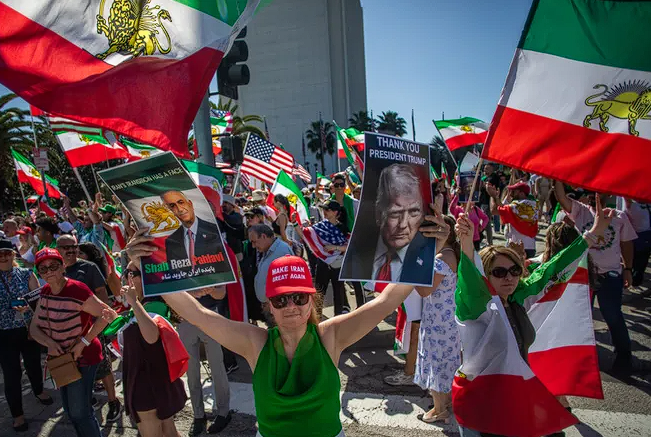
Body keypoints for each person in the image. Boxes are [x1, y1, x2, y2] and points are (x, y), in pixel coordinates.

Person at [123, 210, 448, 437]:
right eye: (281, 300)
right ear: (269, 307)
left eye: (298, 297)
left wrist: (430, 245)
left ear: (312, 301)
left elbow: (386, 301)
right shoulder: (255, 342)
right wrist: (148, 264)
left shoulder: (331, 336)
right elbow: (199, 315)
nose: (290, 306)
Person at [454, 196, 613, 437]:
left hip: (515, 397)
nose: (509, 277)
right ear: (485, 276)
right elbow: (469, 278)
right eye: (499, 272)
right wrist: (466, 243)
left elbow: (550, 271)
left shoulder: (518, 298)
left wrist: (591, 235)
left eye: (514, 270)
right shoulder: (476, 306)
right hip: (481, 404)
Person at [29, 248, 115, 437]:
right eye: (43, 269)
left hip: (84, 357)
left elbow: (108, 315)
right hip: (62, 359)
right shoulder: (45, 291)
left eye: (53, 266)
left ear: (63, 267)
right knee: (71, 411)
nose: (49, 271)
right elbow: (34, 328)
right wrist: (50, 344)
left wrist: (83, 342)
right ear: (39, 273)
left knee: (80, 412)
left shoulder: (77, 289)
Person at [554, 182, 637, 373]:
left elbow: (626, 244)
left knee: (613, 315)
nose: (593, 195)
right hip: (584, 275)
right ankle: (579, 357)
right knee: (580, 317)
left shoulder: (619, 216)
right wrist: (556, 178)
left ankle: (624, 356)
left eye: (598, 192)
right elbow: (561, 197)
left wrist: (628, 269)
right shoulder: (580, 211)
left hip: (611, 275)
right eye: (590, 192)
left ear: (609, 194)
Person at [103, 262, 187, 437]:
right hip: (153, 377)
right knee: (168, 430)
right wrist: (117, 319)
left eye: (132, 273)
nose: (126, 276)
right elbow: (135, 332)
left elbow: (150, 337)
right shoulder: (146, 303)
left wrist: (134, 302)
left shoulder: (153, 305)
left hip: (147, 382)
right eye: (126, 272)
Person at [341, 164, 436, 286]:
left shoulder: (428, 257)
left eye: (413, 212)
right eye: (395, 213)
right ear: (378, 214)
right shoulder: (359, 257)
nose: (403, 224)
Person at [0, 239, 53, 432]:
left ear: (13, 255)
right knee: (11, 373)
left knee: (33, 363)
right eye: (0, 254)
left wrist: (28, 310)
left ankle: (38, 390)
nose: (4, 257)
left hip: (28, 328)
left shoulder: (26, 273)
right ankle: (18, 415)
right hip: (4, 333)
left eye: (7, 253)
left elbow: (39, 300)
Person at [414, 216, 460, 424]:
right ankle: (446, 403)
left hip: (439, 321)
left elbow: (424, 290)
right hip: (445, 317)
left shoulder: (443, 257)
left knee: (437, 362)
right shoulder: (450, 253)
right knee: (446, 361)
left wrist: (411, 271)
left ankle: (440, 410)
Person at [177, 286, 232, 436]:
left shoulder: (211, 268)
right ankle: (198, 415)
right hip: (185, 317)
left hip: (209, 314)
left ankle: (224, 412)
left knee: (217, 367)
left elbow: (221, 293)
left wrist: (209, 290)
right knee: (191, 370)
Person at [293, 200, 351, 315]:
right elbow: (304, 234)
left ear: (335, 212)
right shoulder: (320, 226)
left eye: (327, 209)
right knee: (319, 292)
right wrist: (295, 222)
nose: (324, 211)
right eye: (323, 209)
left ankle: (338, 318)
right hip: (322, 263)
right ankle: (316, 317)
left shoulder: (343, 228)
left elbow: (349, 246)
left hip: (337, 265)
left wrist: (334, 247)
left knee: (338, 292)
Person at [161, 190, 222, 270]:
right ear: (170, 211)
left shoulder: (214, 230)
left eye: (181, 202)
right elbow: (173, 272)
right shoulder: (171, 241)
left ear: (190, 204)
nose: (179, 209)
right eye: (172, 206)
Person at [248, 224, 293, 320]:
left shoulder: (282, 251)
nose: (253, 246)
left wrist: (273, 302)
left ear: (263, 236)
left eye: (254, 242)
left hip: (278, 307)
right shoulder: (268, 250)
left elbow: (286, 284)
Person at [487, 181, 539, 258]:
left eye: (514, 191)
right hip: (530, 246)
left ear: (521, 193)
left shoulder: (516, 206)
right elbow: (503, 207)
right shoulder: (533, 204)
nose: (511, 193)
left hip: (516, 247)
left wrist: (492, 196)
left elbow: (494, 210)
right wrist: (497, 198)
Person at [624, 200, 651, 288]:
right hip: (637, 239)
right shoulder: (632, 205)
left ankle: (634, 279)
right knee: (638, 262)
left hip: (645, 238)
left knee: (640, 262)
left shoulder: (644, 205)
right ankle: (633, 279)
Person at [478, 163, 500, 245]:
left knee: (486, 222)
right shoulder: (485, 177)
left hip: (488, 202)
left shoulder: (493, 177)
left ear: (492, 169)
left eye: (487, 168)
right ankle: (486, 240)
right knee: (484, 221)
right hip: (483, 201)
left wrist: (482, 182)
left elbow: (488, 187)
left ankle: (489, 242)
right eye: (484, 168)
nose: (485, 170)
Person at [221, 194, 246, 261]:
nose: (223, 205)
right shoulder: (221, 217)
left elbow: (232, 220)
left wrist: (220, 213)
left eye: (226, 202)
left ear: (232, 205)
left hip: (236, 251)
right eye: (222, 203)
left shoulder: (237, 216)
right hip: (224, 250)